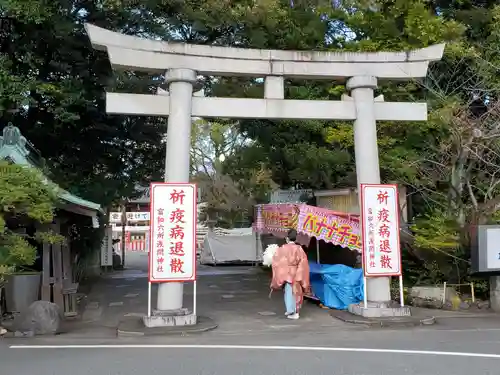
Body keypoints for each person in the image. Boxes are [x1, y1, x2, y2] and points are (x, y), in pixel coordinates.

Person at [270, 228, 310, 320]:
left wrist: (281, 273)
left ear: (287, 238)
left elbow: (277, 262)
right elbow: (303, 263)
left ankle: (292, 311)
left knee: (288, 291)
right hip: (296, 272)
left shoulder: (282, 249)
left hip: (286, 273)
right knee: (296, 293)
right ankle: (294, 311)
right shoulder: (299, 249)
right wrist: (300, 275)